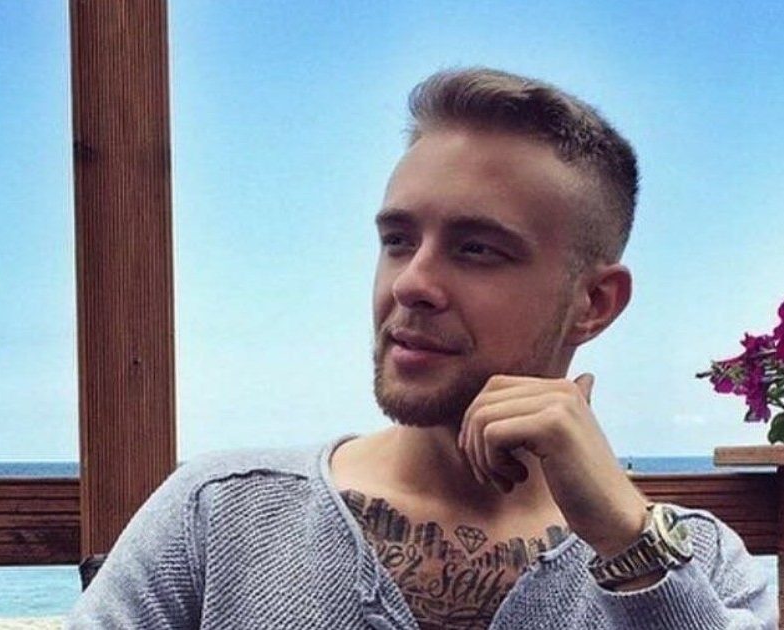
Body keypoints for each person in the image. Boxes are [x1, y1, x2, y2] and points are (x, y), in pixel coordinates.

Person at [66, 68, 776, 629]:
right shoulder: (221, 516)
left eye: (476, 249)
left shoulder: (701, 566)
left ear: (594, 303)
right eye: (398, 240)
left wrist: (630, 545)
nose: (411, 283)